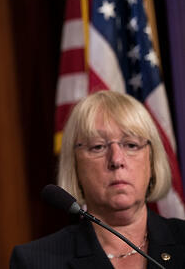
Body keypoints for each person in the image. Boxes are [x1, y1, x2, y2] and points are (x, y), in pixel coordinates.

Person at [10, 90, 185, 268]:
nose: (116, 160)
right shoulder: (34, 262)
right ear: (75, 165)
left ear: (152, 161)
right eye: (98, 147)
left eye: (131, 145)